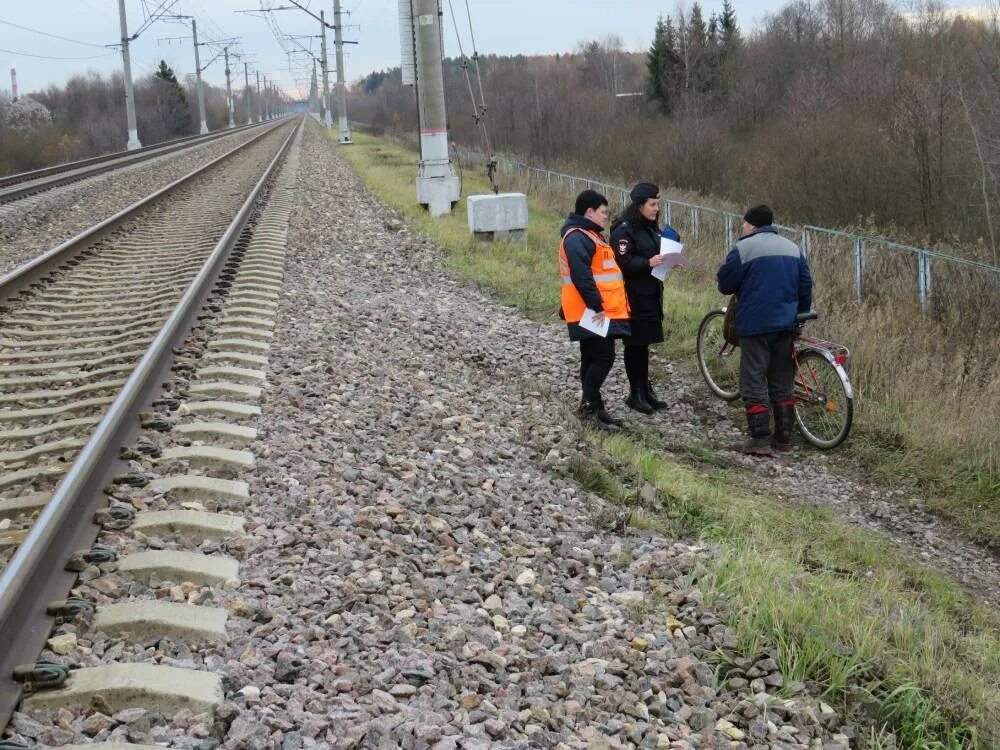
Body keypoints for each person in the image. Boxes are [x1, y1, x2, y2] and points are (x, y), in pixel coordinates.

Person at [717, 204, 813, 455]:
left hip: (756, 324)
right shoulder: (794, 248)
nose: (743, 228)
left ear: (752, 225)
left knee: (754, 378)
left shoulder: (743, 248)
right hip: (786, 323)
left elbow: (725, 285)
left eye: (744, 224)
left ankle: (759, 438)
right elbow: (805, 285)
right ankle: (783, 439)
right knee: (782, 378)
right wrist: (799, 314)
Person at [559, 189, 631, 430]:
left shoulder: (589, 235)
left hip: (590, 309)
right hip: (591, 310)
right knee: (603, 357)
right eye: (602, 212)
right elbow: (581, 276)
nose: (605, 217)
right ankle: (590, 408)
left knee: (591, 357)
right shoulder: (578, 237)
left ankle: (594, 407)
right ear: (589, 212)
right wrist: (597, 305)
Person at [610, 182, 680, 413]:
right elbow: (622, 263)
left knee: (644, 345)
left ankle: (645, 388)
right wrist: (648, 262)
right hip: (632, 297)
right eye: (652, 204)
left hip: (651, 295)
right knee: (635, 345)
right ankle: (635, 393)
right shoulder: (624, 229)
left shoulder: (651, 228)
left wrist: (669, 261)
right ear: (639, 205)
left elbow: (656, 254)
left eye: (658, 204)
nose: (656, 208)